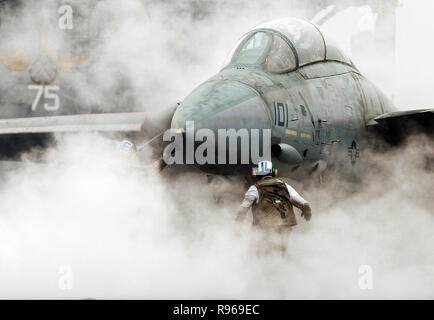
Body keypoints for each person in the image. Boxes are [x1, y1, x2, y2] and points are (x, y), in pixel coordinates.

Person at [236, 160, 311, 253]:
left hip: (265, 226)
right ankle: (278, 264)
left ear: (257, 174)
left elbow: (243, 208)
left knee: (261, 251)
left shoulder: (255, 188)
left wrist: (237, 224)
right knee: (280, 252)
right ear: (274, 172)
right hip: (285, 225)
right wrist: (306, 211)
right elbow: (303, 203)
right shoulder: (285, 186)